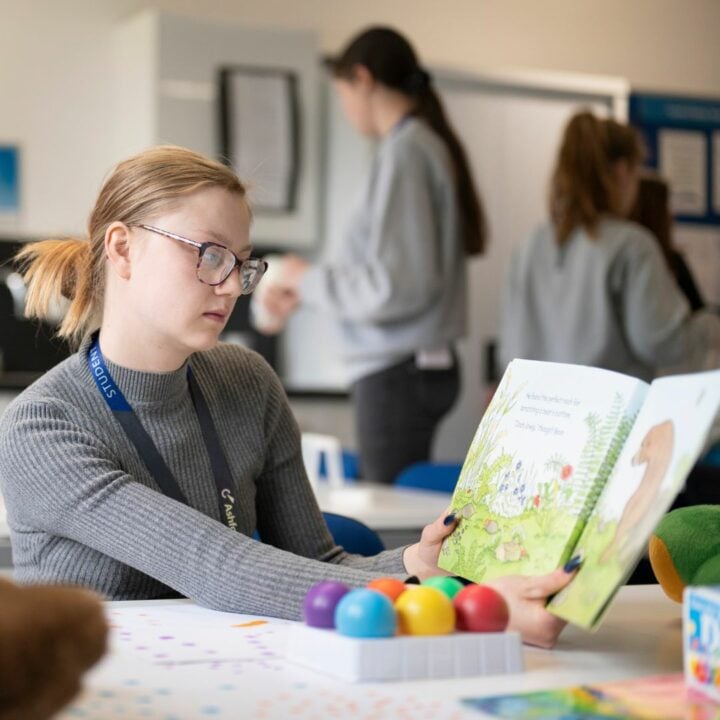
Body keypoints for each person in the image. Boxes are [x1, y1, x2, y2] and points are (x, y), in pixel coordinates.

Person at [0, 145, 573, 648]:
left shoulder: (246, 380)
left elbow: (321, 565)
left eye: (242, 263)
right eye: (209, 253)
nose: (229, 285)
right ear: (121, 249)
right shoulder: (41, 426)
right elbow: (216, 566)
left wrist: (415, 565)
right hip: (102, 690)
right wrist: (441, 601)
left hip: (235, 667)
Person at [258, 26, 487, 486]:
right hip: (411, 364)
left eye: (342, 93)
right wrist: (309, 289)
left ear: (362, 79)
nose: (345, 109)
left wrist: (306, 278)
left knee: (390, 518)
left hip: (397, 370)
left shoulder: (407, 152)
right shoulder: (414, 148)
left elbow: (396, 285)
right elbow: (397, 274)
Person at [498, 110, 720, 380]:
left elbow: (508, 348)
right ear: (623, 170)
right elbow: (660, 342)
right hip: (606, 415)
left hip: (539, 412)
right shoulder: (632, 245)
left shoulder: (528, 247)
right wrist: (709, 326)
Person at [629, 173, 705, 312]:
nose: (671, 214)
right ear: (653, 213)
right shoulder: (659, 260)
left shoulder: (673, 259)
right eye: (666, 206)